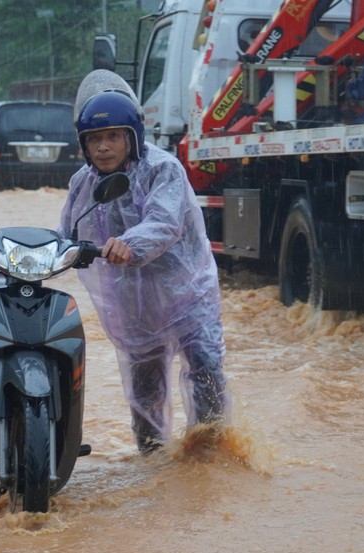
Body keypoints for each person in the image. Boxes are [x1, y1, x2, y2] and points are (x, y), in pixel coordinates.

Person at [58, 86, 231, 454]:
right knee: (145, 388)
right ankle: (152, 463)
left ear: (131, 138)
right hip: (133, 302)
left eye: (112, 137)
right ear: (83, 145)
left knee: (205, 367)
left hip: (186, 292)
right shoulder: (83, 183)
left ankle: (211, 457)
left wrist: (130, 244)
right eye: (94, 139)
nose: (103, 147)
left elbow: (164, 222)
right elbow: (66, 235)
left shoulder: (163, 168)